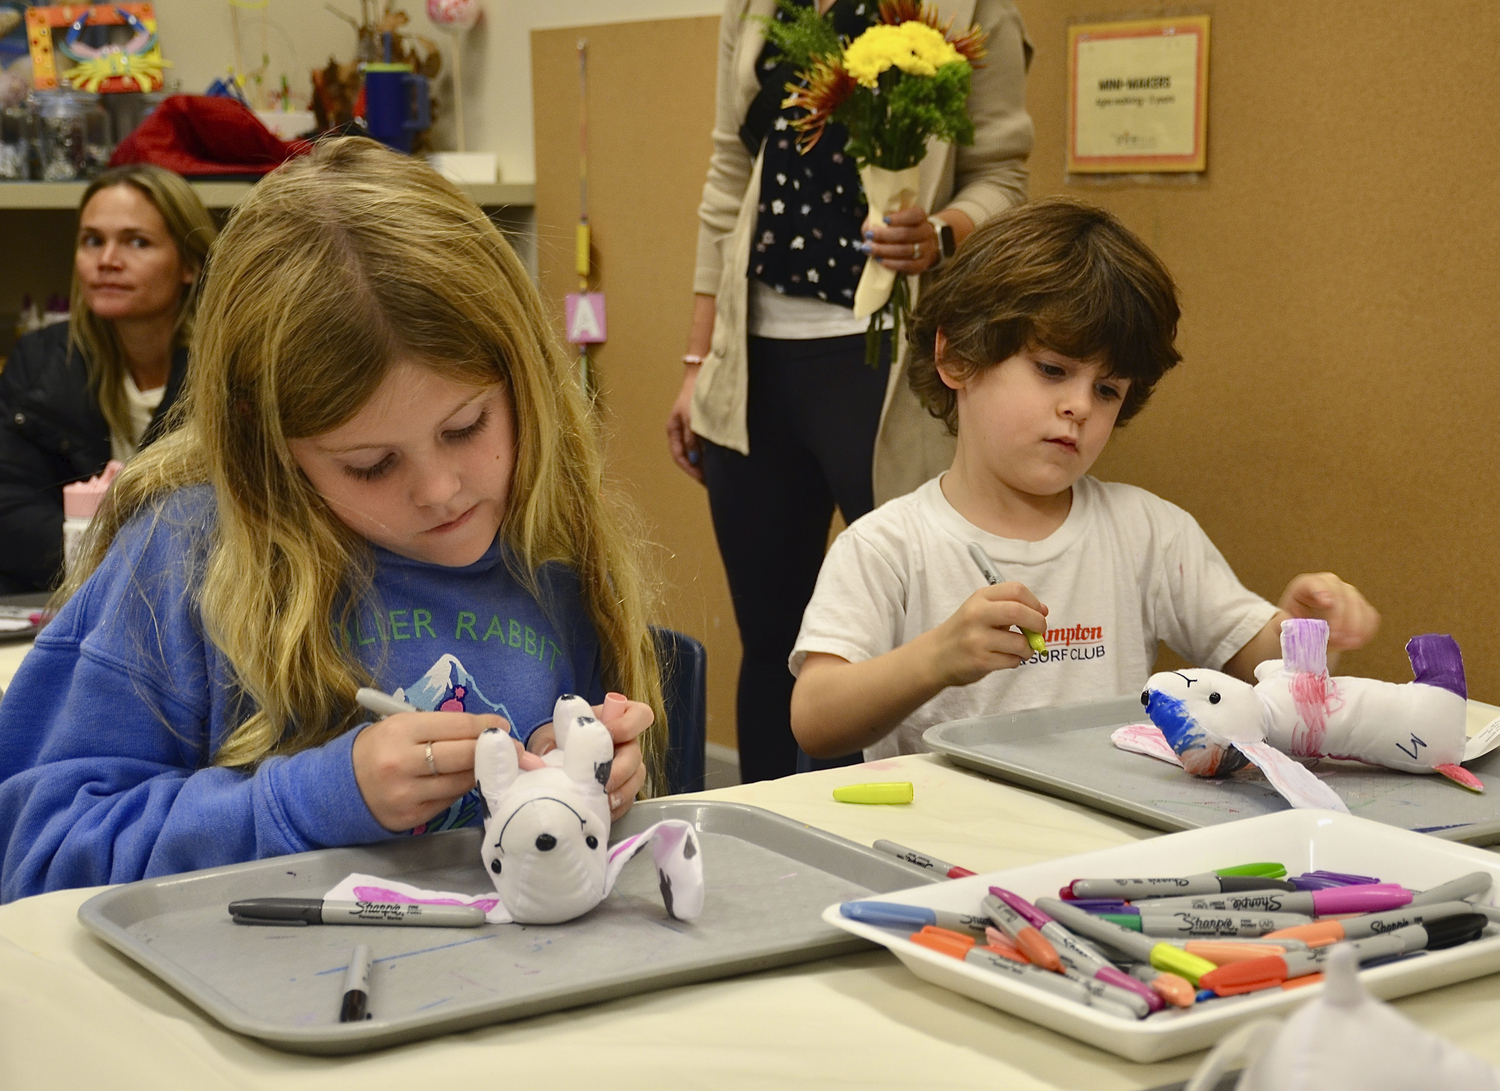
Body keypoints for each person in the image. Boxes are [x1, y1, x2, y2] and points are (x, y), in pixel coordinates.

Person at [0, 138, 665, 903]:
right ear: (267, 443)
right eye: (371, 464)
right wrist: (312, 800)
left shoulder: (546, 547)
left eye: (467, 425)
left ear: (524, 378)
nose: (442, 489)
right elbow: (37, 857)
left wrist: (583, 786)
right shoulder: (183, 558)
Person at [789, 197, 1380, 760]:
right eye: (1052, 370)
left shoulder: (1148, 531)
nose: (1079, 407)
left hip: (1106, 846)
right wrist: (936, 658)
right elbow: (816, 720)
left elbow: (1250, 665)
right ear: (958, 357)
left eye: (1107, 390)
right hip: (956, 854)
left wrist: (1306, 637)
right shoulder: (886, 547)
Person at [666, 0, 1034, 782]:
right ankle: (765, 846)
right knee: (772, 641)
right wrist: (700, 360)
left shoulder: (968, 9)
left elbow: (1003, 175)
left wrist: (941, 232)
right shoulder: (760, 8)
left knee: (906, 638)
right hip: (756, 361)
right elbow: (728, 174)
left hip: (883, 358)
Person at [0, 164, 215, 593]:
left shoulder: (226, 370)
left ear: (189, 264)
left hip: (190, 601)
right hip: (60, 599)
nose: (107, 261)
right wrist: (113, 562)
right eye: (92, 241)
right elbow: (7, 506)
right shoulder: (41, 360)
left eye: (137, 242)